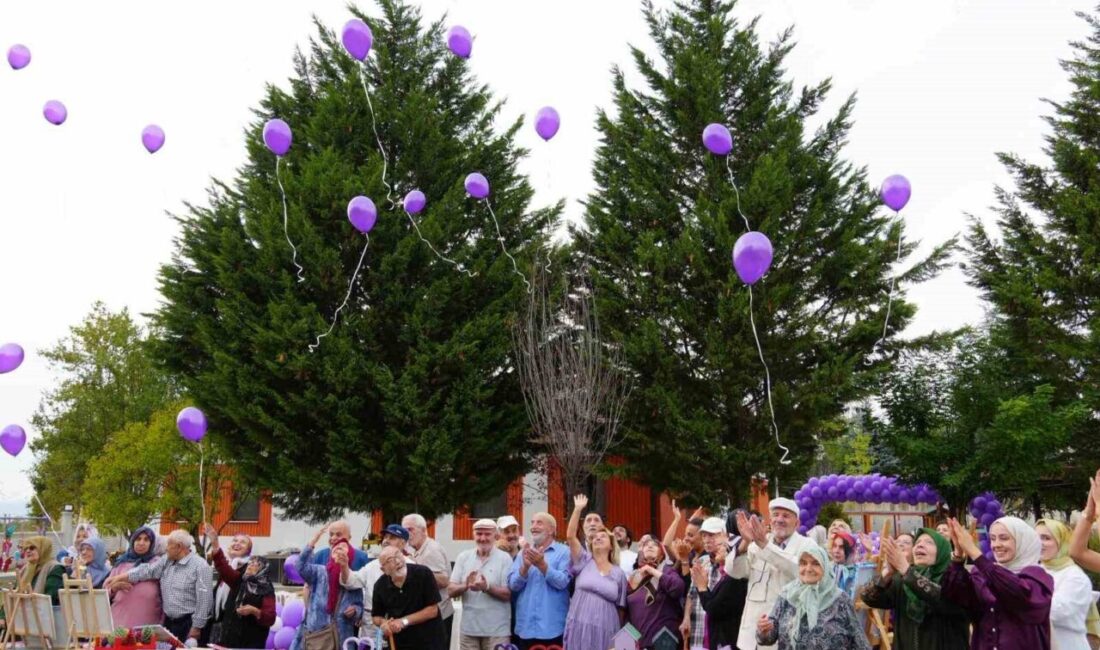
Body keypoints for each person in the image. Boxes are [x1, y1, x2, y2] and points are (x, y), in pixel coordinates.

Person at [942, 516, 1054, 650]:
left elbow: (1016, 593)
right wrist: (958, 555)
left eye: (1004, 538)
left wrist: (975, 552)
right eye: (993, 539)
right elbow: (956, 597)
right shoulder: (982, 573)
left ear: (1022, 541)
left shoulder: (1037, 577)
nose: (996, 545)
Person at [859, 528, 969, 650]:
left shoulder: (957, 578)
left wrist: (906, 571)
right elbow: (867, 597)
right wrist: (887, 573)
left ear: (943, 550)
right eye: (917, 543)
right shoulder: (902, 580)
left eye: (929, 542)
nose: (920, 545)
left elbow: (944, 600)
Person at [731, 498, 817, 650]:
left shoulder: (807, 545)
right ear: (770, 520)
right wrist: (744, 543)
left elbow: (800, 570)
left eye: (786, 516)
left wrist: (765, 545)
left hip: (785, 633)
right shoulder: (755, 544)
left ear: (797, 523)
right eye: (776, 515)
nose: (779, 519)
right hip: (750, 635)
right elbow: (736, 573)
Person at [105, 530, 213, 645]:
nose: (166, 548)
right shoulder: (167, 560)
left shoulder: (201, 566)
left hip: (188, 624)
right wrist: (120, 577)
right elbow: (147, 571)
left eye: (169, 545)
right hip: (169, 623)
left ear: (179, 547)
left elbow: (205, 601)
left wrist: (196, 627)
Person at [755, 545, 870, 649]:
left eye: (815, 563)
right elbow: (768, 637)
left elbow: (860, 641)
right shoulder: (787, 595)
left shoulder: (840, 599)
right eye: (803, 563)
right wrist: (763, 631)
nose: (808, 569)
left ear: (825, 566)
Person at [563, 494, 628, 650]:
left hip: (607, 628)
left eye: (603, 536)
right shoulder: (583, 561)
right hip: (580, 625)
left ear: (611, 545)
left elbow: (621, 609)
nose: (598, 538)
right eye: (595, 537)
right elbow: (570, 536)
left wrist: (619, 641)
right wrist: (578, 509)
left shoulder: (619, 573)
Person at [291, 524, 363, 650]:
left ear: (349, 555)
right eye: (336, 548)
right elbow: (300, 566)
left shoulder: (354, 578)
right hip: (317, 634)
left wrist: (355, 610)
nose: (338, 548)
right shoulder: (319, 572)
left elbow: (360, 605)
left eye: (343, 548)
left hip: (342, 636)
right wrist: (312, 542)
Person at [204, 523, 275, 649]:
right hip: (227, 639)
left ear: (263, 571)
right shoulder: (239, 580)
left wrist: (254, 611)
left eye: (255, 565)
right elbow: (224, 569)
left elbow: (270, 618)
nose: (250, 566)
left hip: (249, 643)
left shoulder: (266, 588)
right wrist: (215, 542)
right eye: (250, 564)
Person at [508, 511, 571, 650]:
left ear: (551, 530)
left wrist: (542, 565)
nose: (533, 526)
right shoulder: (522, 553)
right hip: (526, 627)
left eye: (539, 522)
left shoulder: (564, 552)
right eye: (532, 522)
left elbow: (563, 582)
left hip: (552, 628)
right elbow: (513, 585)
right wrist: (524, 568)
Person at [448, 519, 512, 650]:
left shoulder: (505, 558)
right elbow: (450, 590)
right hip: (469, 630)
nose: (482, 538)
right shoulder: (463, 557)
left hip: (497, 631)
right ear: (473, 535)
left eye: (487, 534)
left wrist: (486, 587)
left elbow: (508, 594)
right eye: (479, 534)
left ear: (496, 536)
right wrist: (465, 585)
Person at [341, 524, 411, 641]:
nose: (386, 541)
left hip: (398, 628)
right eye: (385, 537)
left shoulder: (411, 567)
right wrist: (344, 566)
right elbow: (351, 582)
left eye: (392, 538)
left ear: (403, 544)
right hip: (371, 628)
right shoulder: (372, 565)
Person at [372, 546, 446, 650]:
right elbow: (376, 616)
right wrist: (384, 623)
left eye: (398, 555)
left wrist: (403, 621)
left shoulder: (423, 573)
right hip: (400, 643)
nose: (397, 561)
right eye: (390, 560)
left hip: (429, 642)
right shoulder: (380, 586)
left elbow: (433, 610)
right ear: (384, 570)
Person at [1037, 519, 1092, 650]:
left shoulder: (1075, 576)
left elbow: (1057, 612)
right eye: (1036, 538)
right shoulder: (1036, 569)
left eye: (1046, 538)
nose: (1039, 543)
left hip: (1068, 644)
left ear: (1061, 542)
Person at [403, 514, 455, 645]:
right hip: (428, 616)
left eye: (410, 529)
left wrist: (417, 569)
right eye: (405, 531)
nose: (407, 534)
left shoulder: (431, 550)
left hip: (439, 616)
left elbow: (443, 580)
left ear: (423, 530)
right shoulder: (416, 550)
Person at [626, 536, 684, 648]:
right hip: (640, 642)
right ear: (640, 552)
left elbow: (678, 588)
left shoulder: (667, 570)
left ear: (661, 554)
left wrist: (652, 571)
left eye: (655, 545)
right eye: (646, 544)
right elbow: (627, 611)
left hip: (665, 642)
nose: (650, 545)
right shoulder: (633, 577)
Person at [682, 516, 730, 648]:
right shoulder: (701, 562)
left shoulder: (732, 563)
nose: (707, 540)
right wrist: (686, 618)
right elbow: (691, 594)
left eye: (712, 535)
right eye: (704, 536)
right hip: (698, 626)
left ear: (725, 536)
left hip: (721, 630)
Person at [693, 537, 747, 650]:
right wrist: (703, 586)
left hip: (727, 641)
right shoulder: (726, 576)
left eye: (723, 545)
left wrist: (702, 588)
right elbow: (712, 602)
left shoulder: (734, 579)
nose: (718, 548)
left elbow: (713, 609)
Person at [107, 526, 164, 628]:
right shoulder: (121, 563)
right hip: (120, 620)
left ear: (152, 544)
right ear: (133, 541)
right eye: (138, 539)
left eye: (146, 539)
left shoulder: (157, 563)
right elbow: (104, 592)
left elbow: (165, 592)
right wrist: (114, 588)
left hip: (149, 622)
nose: (141, 543)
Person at [210, 531, 253, 644]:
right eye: (235, 540)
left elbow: (232, 577)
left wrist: (215, 543)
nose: (237, 543)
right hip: (219, 627)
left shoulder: (248, 569)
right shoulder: (229, 566)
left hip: (237, 630)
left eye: (243, 542)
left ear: (248, 550)